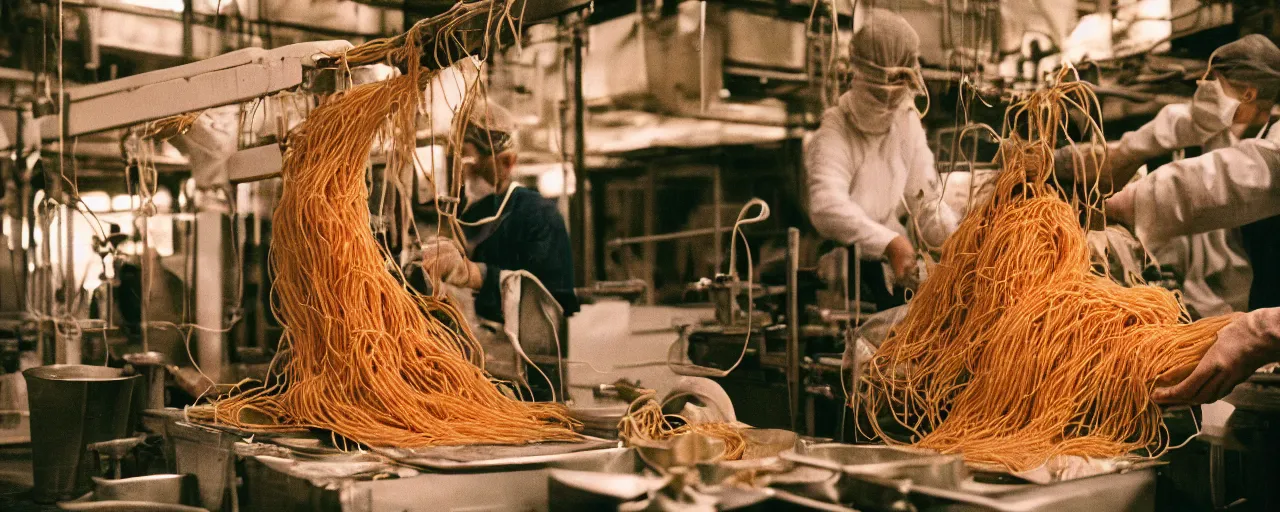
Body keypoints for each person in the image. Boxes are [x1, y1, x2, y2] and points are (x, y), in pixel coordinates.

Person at [1059, 35, 1280, 315]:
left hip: (1263, 305)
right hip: (1218, 301)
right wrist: (1083, 159)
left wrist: (1125, 203)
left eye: (1215, 80)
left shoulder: (1272, 148)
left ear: (1249, 93)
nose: (1204, 85)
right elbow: (1177, 122)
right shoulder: (1225, 127)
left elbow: (1211, 184)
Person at [805, 9, 957, 310]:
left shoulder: (906, 122)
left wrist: (956, 239)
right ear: (858, 75)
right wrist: (889, 243)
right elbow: (826, 204)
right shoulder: (835, 127)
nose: (887, 104)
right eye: (878, 94)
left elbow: (924, 199)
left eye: (894, 94)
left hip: (891, 270)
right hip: (841, 272)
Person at [418, 99, 580, 322]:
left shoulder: (538, 215)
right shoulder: (461, 214)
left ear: (507, 163)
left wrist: (475, 275)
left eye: (467, 157)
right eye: (454, 157)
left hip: (520, 352)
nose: (461, 170)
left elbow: (552, 303)